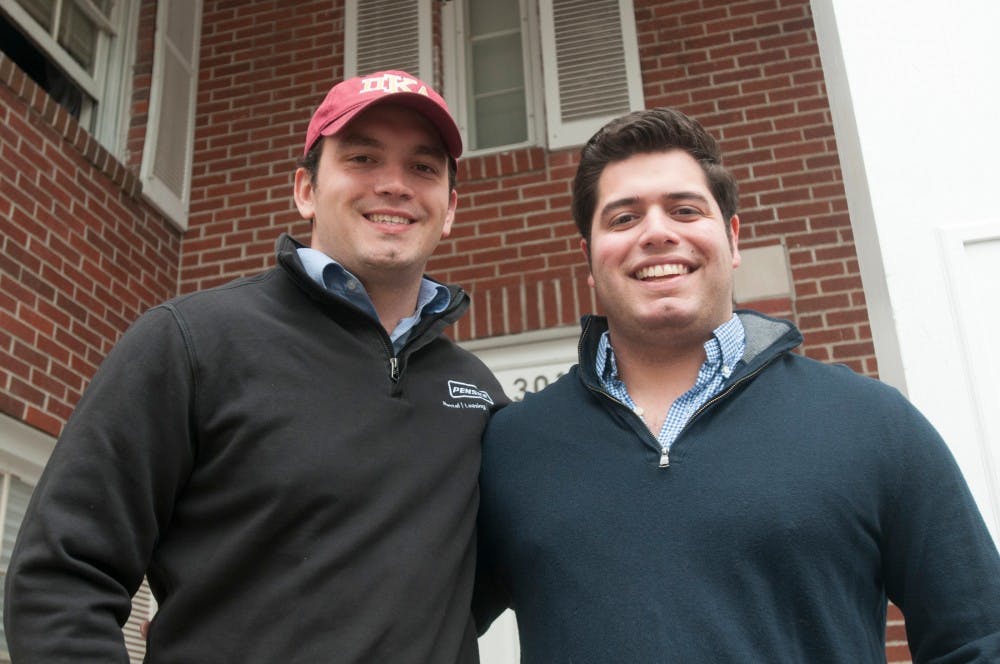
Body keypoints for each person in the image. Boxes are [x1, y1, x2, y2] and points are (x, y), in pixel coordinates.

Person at [4, 70, 507, 663]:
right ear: (305, 190)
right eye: (363, 158)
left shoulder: (476, 393)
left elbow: (473, 589)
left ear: (448, 209)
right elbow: (61, 578)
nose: (394, 185)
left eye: (422, 167)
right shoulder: (191, 343)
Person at [473, 108, 1000, 662]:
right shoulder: (513, 446)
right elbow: (419, 623)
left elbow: (980, 638)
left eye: (684, 209)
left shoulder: (871, 423)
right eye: (624, 218)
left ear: (732, 237)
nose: (657, 232)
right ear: (589, 258)